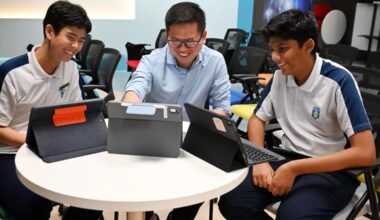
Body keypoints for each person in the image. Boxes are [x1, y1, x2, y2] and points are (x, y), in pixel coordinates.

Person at [218, 9, 375, 220]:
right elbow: (257, 118)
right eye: (272, 49)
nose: (275, 58)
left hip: (329, 170)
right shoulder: (281, 77)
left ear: (308, 45)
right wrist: (259, 160)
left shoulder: (338, 80)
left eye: (282, 49)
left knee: (292, 216)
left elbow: (366, 153)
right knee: (231, 201)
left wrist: (294, 169)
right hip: (286, 157)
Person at [0, 1, 92, 219]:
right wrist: (35, 142)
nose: (76, 46)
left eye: (81, 40)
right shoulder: (12, 73)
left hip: (54, 149)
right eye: (71, 37)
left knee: (93, 196)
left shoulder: (70, 69)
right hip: (9, 154)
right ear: (49, 31)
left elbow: (76, 112)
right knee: (33, 208)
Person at [123, 2, 231, 120]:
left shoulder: (215, 61)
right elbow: (135, 88)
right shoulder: (151, 60)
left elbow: (222, 108)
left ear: (203, 36)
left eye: (190, 42)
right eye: (175, 41)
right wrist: (131, 105)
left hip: (192, 130)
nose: (182, 49)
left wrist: (202, 124)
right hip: (155, 128)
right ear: (167, 35)